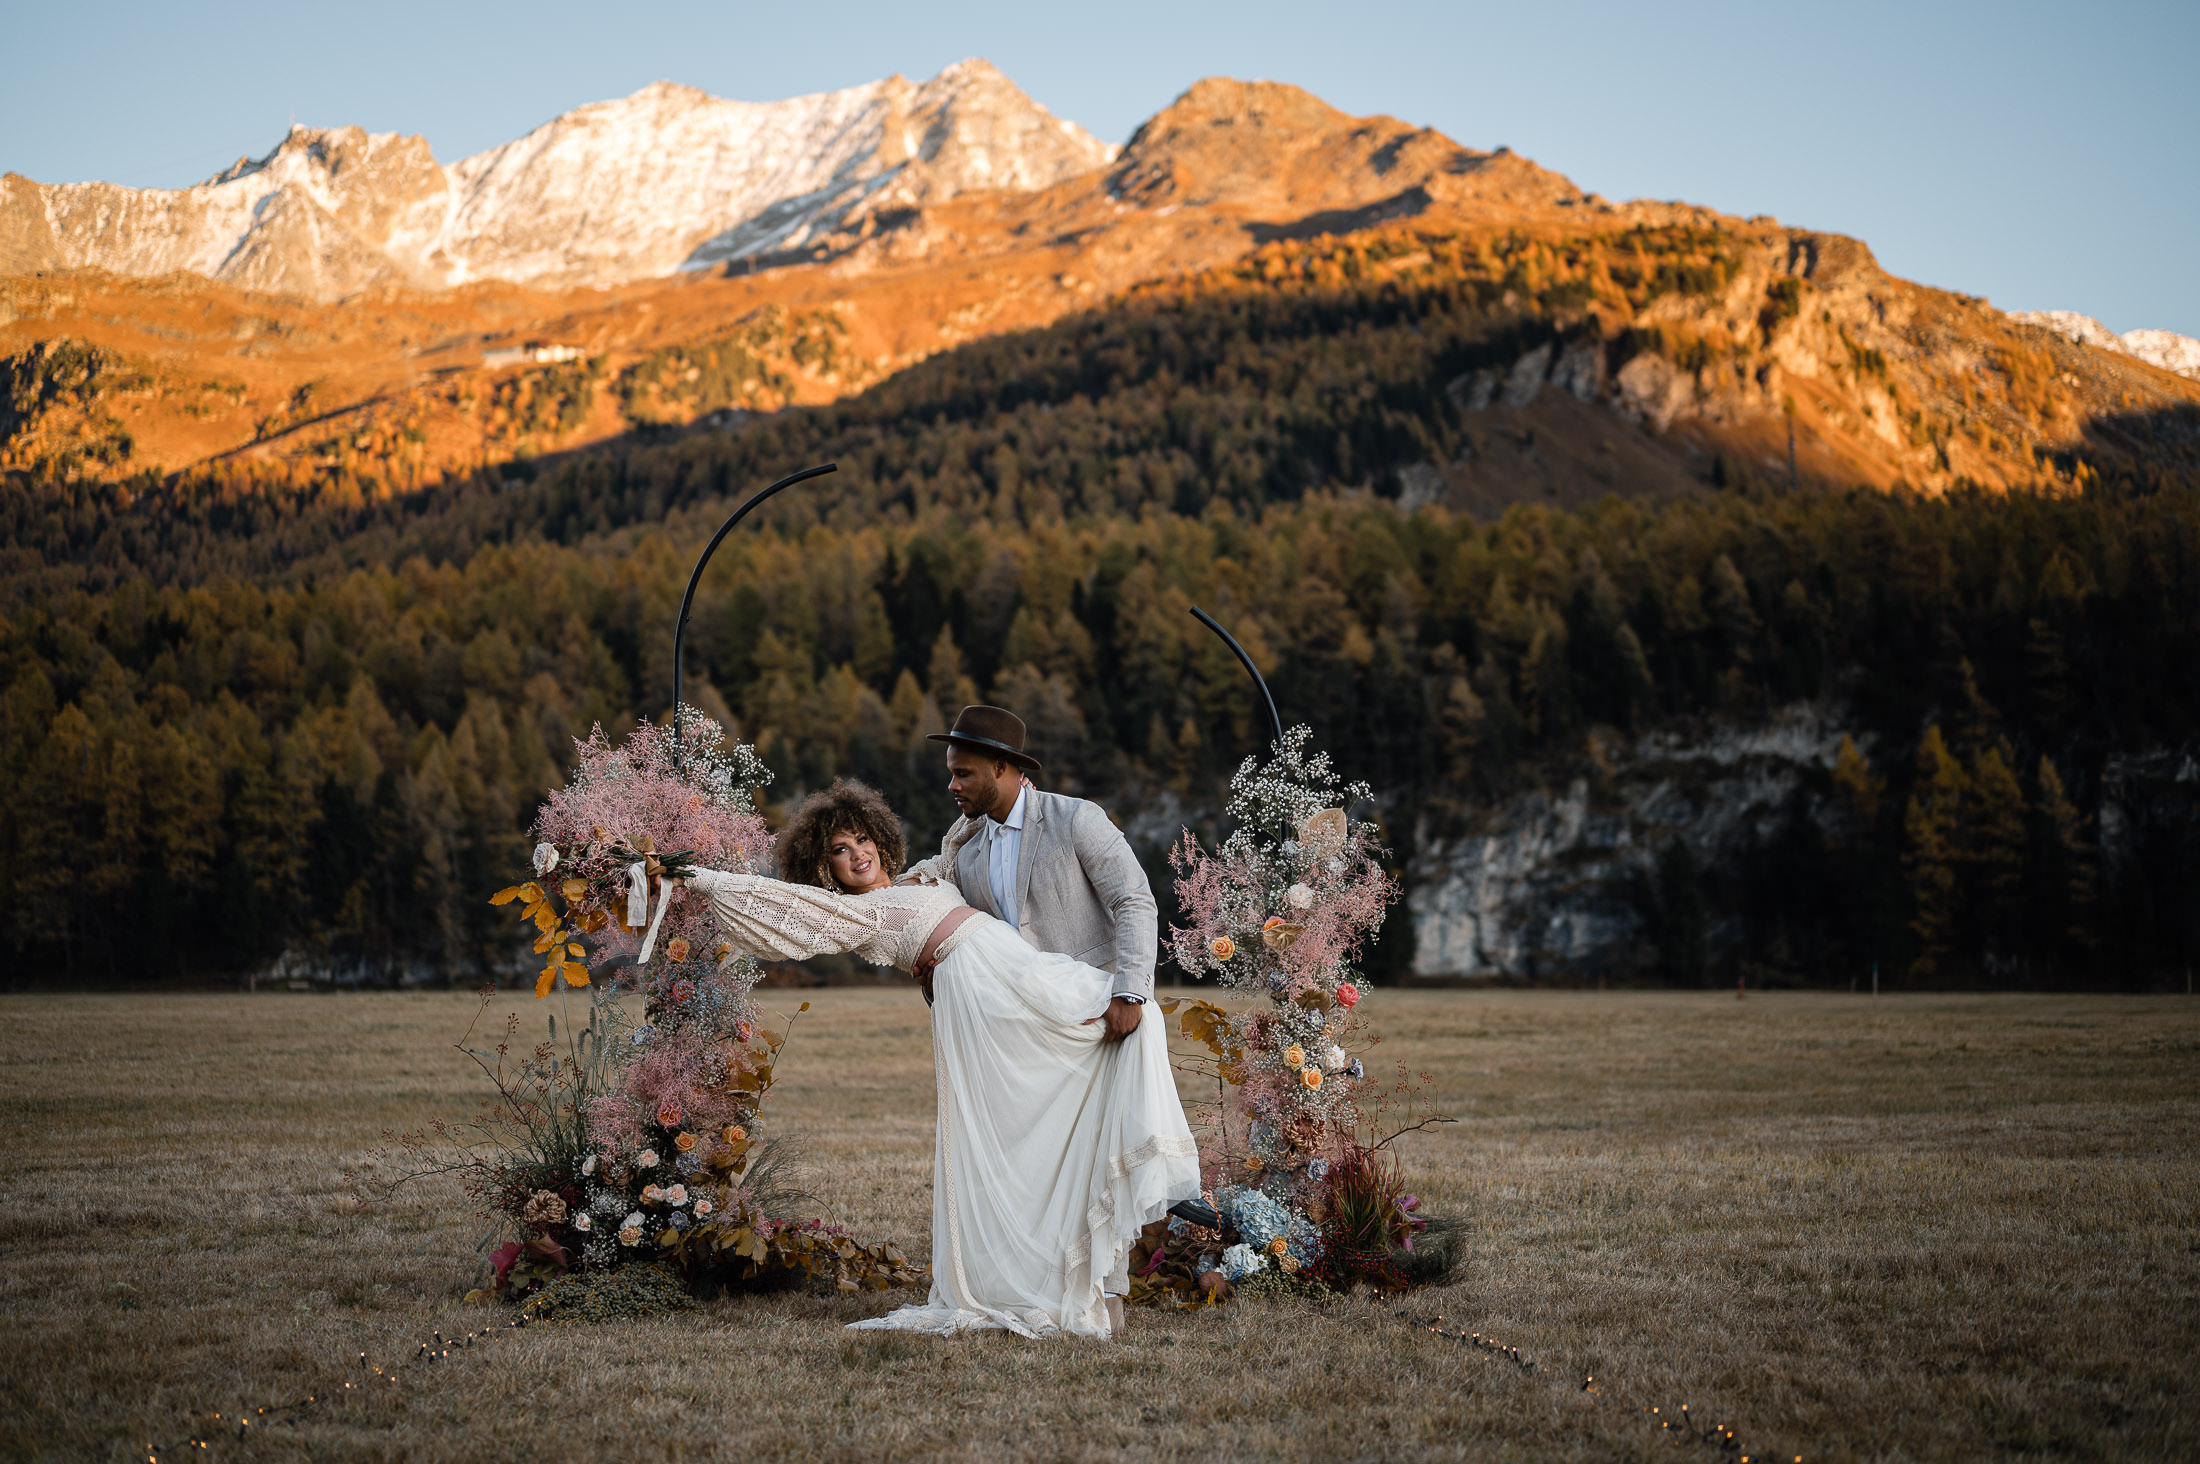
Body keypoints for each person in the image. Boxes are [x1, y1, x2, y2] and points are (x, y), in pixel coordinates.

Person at [675, 776, 1201, 1339]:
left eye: (861, 839)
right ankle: (1075, 1253)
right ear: (824, 868)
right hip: (986, 993)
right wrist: (696, 877)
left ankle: (1118, 1219)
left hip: (1018, 970)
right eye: (840, 850)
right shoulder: (857, 912)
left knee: (1132, 1018)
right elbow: (787, 906)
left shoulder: (926, 874)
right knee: (1084, 1061)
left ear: (879, 838)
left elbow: (964, 833)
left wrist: (1000, 781)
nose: (857, 855)